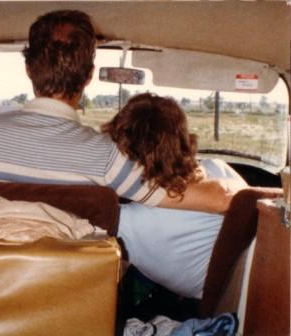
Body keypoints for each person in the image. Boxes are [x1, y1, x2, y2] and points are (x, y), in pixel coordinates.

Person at [0, 10, 242, 297]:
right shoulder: (107, 157)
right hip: (58, 299)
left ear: (29, 69)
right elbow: (221, 200)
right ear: (89, 75)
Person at [102, 93, 248, 298]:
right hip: (240, 291)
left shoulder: (123, 221)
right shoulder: (218, 170)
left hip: (199, 304)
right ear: (182, 140)